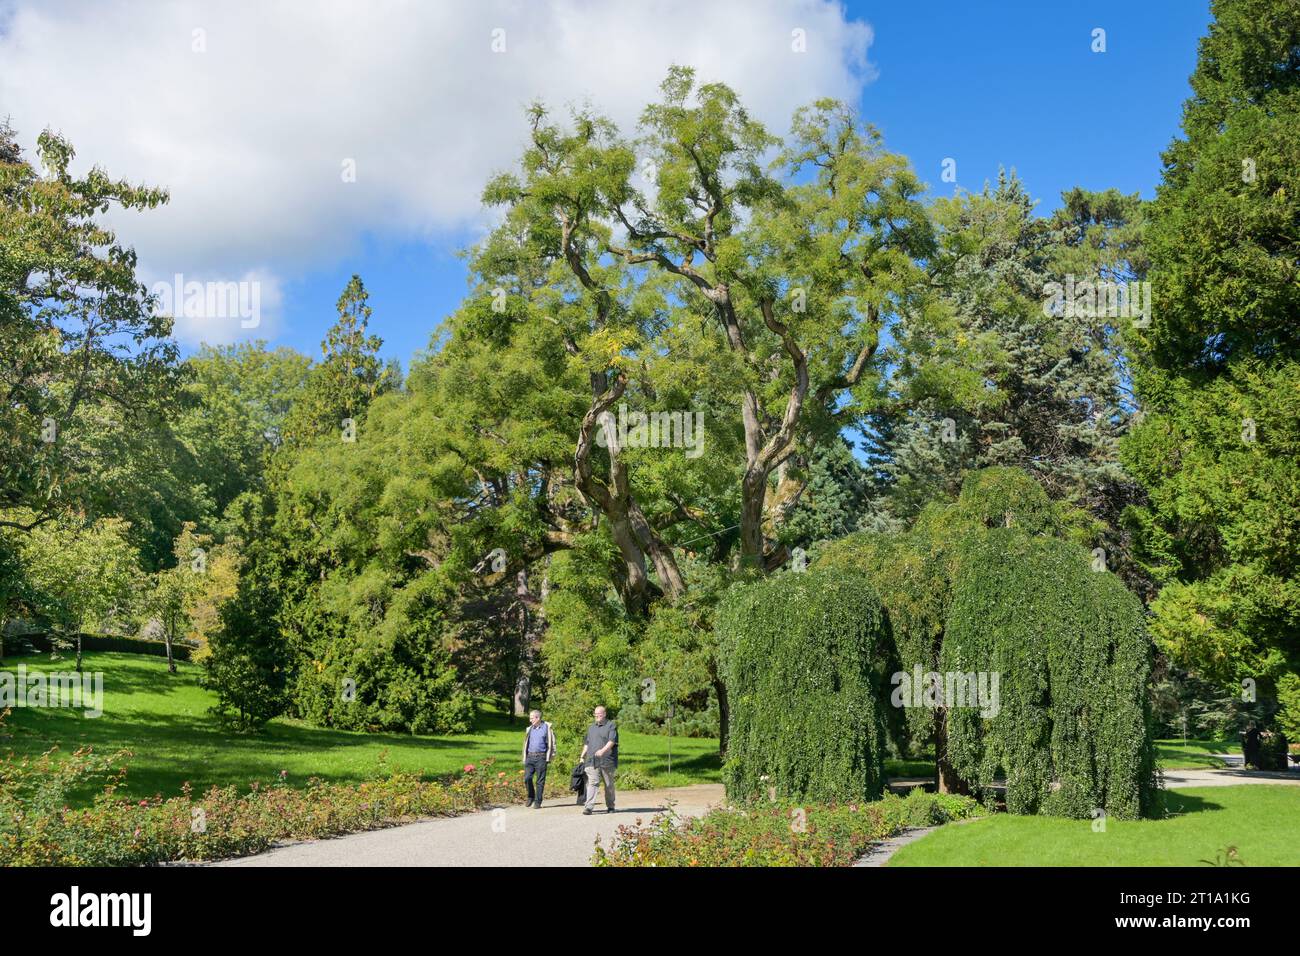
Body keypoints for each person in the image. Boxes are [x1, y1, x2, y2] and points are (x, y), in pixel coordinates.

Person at [579, 705, 618, 815]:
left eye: (599, 714)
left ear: (604, 714)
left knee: (609, 784)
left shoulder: (611, 726)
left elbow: (611, 741)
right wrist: (582, 755)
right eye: (595, 715)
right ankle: (589, 807)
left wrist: (603, 750)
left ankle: (610, 806)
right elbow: (587, 743)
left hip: (607, 760)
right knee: (593, 782)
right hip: (592, 760)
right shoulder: (591, 728)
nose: (597, 716)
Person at [521, 709, 556, 809]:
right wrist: (525, 756)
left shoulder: (547, 728)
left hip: (541, 757)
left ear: (538, 718)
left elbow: (553, 743)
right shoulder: (530, 729)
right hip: (530, 757)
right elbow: (526, 743)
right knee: (527, 778)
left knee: (540, 781)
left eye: (532, 718)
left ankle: (538, 801)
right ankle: (530, 796)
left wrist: (551, 756)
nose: (530, 720)